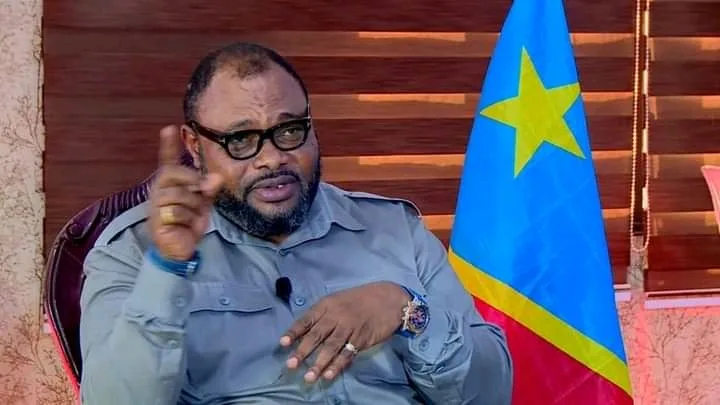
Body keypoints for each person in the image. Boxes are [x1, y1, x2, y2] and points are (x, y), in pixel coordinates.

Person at [79, 42, 513, 405]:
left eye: (289, 131)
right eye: (241, 139)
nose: (273, 158)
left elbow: (492, 393)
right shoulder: (133, 250)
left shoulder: (395, 228)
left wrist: (405, 310)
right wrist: (167, 269)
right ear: (195, 144)